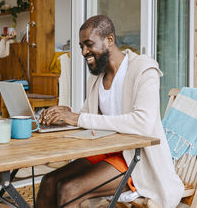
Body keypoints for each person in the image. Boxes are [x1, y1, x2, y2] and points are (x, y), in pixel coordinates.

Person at [37, 15, 184, 208]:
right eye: (81, 46)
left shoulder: (144, 70)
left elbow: (143, 122)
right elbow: (89, 118)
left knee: (69, 189)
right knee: (48, 181)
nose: (84, 52)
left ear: (110, 40)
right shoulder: (97, 77)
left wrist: (78, 118)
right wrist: (66, 114)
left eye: (89, 44)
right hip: (107, 152)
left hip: (136, 158)